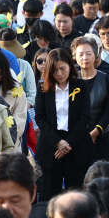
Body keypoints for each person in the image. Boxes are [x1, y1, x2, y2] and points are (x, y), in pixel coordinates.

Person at [33, 47, 93, 200]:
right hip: (51, 146)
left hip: (76, 144)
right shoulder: (43, 88)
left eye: (62, 69)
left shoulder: (81, 86)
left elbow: (85, 116)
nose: (59, 74)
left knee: (76, 196)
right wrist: (57, 142)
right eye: (54, 70)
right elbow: (40, 118)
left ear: (70, 66)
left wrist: (67, 144)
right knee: (50, 195)